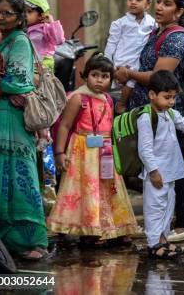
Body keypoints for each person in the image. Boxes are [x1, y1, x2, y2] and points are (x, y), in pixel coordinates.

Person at [116, 0, 184, 243]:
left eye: (167, 4)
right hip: (148, 112)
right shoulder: (155, 31)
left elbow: (159, 76)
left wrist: (128, 75)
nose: (160, 7)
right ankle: (161, 229)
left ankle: (181, 226)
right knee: (159, 170)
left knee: (176, 171)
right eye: (159, 2)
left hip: (167, 113)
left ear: (180, 11)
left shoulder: (176, 38)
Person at [0, 0, 49, 260]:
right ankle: (7, 239)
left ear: (20, 17)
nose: (0, 16)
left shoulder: (19, 41)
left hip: (12, 117)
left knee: (19, 175)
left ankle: (32, 240)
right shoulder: (1, 41)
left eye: (7, 12)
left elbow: (20, 80)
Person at [47, 53, 138, 246]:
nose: (99, 80)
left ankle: (115, 228)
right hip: (82, 151)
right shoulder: (78, 98)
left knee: (109, 188)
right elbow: (65, 126)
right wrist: (60, 153)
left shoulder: (108, 100)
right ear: (85, 75)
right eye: (95, 75)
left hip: (105, 151)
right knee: (86, 190)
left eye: (105, 76)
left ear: (111, 80)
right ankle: (89, 230)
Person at [137, 70, 184, 259]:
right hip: (157, 172)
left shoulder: (169, 112)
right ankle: (153, 244)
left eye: (173, 97)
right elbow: (145, 149)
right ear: (152, 95)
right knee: (155, 208)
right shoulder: (146, 117)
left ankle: (164, 241)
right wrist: (153, 171)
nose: (171, 101)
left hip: (172, 170)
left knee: (168, 206)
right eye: (167, 97)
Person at [104, 0, 156, 114]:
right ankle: (114, 106)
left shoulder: (152, 23)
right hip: (122, 60)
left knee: (132, 80)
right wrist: (107, 65)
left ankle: (122, 103)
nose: (133, 2)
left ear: (148, 4)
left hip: (138, 62)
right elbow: (111, 44)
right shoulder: (120, 23)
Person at [23, 0, 65, 71]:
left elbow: (59, 40)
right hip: (27, 65)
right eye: (23, 11)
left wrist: (52, 23)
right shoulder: (22, 28)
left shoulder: (45, 28)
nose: (25, 14)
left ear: (40, 15)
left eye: (29, 11)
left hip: (44, 66)